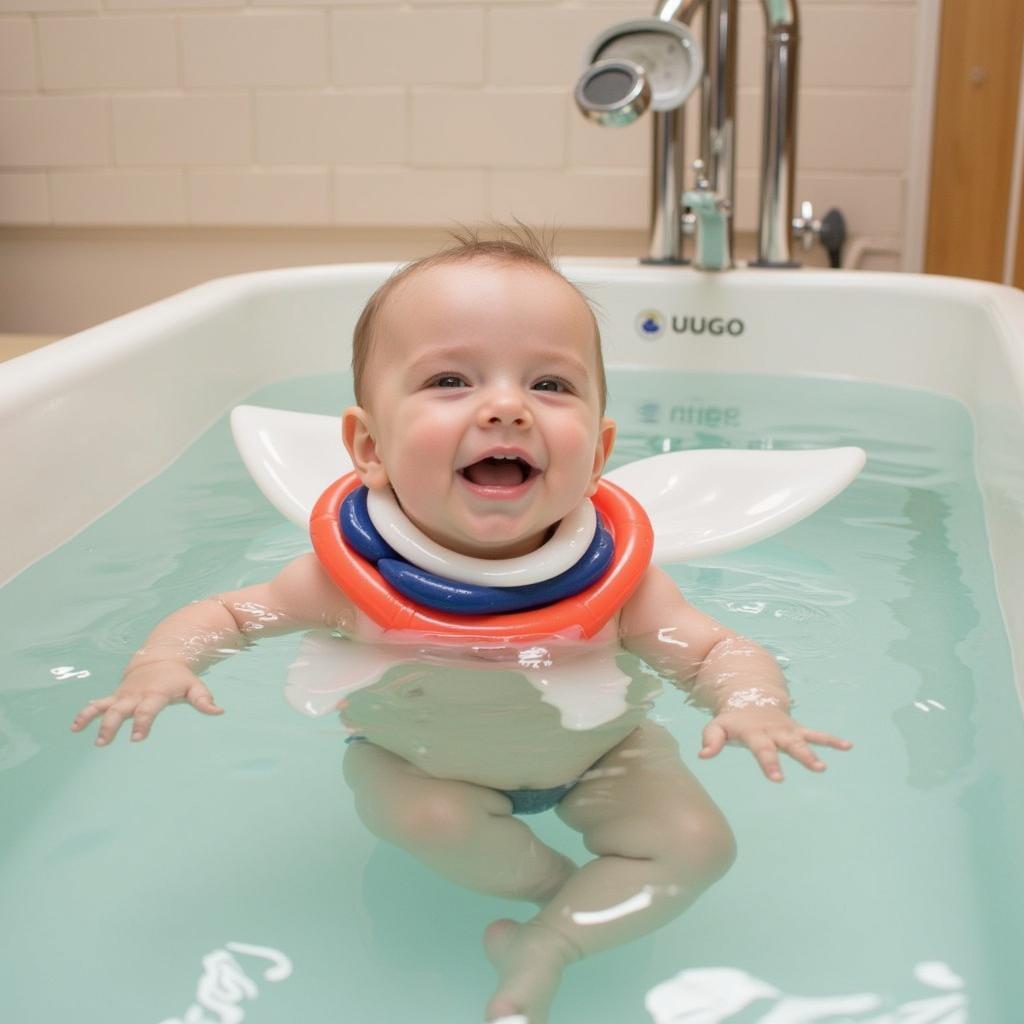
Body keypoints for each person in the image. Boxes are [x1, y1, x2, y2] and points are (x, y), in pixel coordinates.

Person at [71, 225, 852, 1024]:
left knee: (699, 845)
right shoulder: (349, 585)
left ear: (600, 452)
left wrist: (753, 700)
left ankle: (550, 941)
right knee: (423, 815)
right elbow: (230, 613)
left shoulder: (619, 586)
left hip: (601, 755)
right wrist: (164, 663)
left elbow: (716, 649)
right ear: (368, 447)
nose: (507, 406)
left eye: (551, 385)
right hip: (420, 763)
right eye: (451, 379)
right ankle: (559, 889)